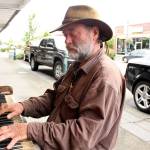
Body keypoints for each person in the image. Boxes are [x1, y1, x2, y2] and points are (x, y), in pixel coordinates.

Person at [0, 5, 126, 150]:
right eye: (65, 35)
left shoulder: (105, 77)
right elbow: (54, 98)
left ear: (95, 33)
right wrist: (23, 106)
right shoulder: (78, 65)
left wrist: (30, 130)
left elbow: (82, 137)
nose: (67, 41)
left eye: (72, 33)